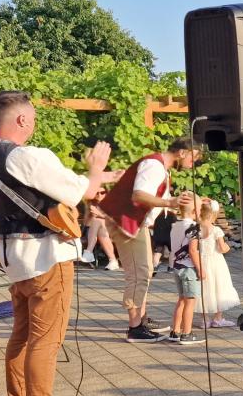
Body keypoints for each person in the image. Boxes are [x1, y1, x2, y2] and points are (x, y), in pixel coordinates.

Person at [0, 90, 114, 396]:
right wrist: (96, 169)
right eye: (34, 118)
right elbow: (81, 191)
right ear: (22, 119)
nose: (34, 123)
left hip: (14, 260)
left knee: (22, 335)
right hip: (45, 257)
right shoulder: (27, 156)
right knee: (45, 339)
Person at [100, 137, 198, 343]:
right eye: (193, 158)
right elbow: (139, 195)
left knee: (144, 272)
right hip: (127, 222)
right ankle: (135, 328)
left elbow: (155, 200)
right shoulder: (154, 166)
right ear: (182, 152)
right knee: (139, 274)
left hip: (134, 223)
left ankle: (141, 319)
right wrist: (169, 202)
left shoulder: (160, 167)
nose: (193, 164)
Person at [196, 199, 238, 328]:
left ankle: (205, 320)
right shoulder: (216, 230)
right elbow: (221, 248)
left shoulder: (196, 229)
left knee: (204, 289)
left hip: (201, 261)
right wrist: (227, 247)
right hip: (216, 262)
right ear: (213, 215)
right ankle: (218, 318)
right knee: (219, 287)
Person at [168, 196, 204, 346]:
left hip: (177, 267)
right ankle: (187, 333)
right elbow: (193, 251)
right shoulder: (194, 228)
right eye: (200, 208)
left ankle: (175, 331)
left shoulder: (175, 225)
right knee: (190, 301)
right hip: (189, 268)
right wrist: (200, 269)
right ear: (194, 211)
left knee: (181, 299)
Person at [81, 189, 119, 270]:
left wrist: (99, 215)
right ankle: (113, 260)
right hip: (90, 232)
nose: (99, 195)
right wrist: (91, 215)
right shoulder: (90, 205)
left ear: (106, 193)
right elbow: (86, 223)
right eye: (97, 193)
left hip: (109, 231)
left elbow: (114, 220)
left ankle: (88, 252)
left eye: (102, 193)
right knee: (98, 223)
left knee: (99, 223)